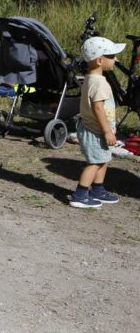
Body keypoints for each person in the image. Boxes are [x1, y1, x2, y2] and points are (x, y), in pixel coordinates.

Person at [70, 36, 125, 208]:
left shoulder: (90, 78)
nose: (116, 59)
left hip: (96, 128)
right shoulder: (98, 83)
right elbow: (98, 108)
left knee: (103, 159)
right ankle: (80, 195)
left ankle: (98, 190)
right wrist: (107, 131)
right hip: (96, 130)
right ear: (100, 60)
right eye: (112, 56)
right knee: (94, 163)